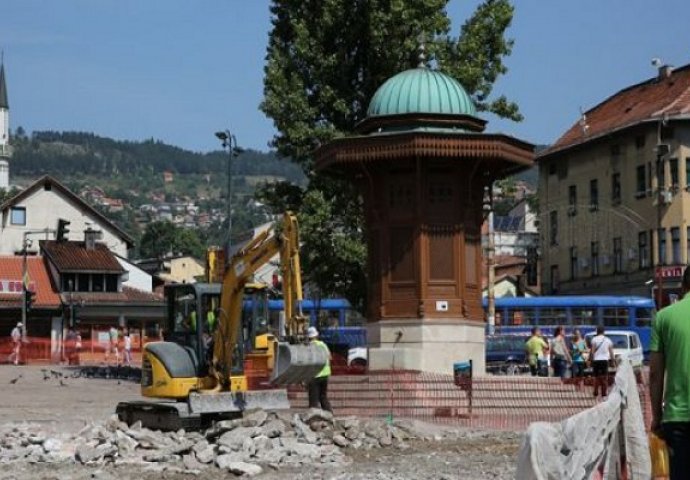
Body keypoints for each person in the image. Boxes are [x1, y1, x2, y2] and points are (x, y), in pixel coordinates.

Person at [650, 267, 690, 480]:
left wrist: (657, 417)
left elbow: (655, 374)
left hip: (677, 417)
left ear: (684, 287)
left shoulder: (663, 317)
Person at [306, 326, 332, 412]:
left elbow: (308, 362)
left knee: (313, 400)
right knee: (323, 397)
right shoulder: (323, 344)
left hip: (315, 375)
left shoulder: (309, 346)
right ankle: (330, 416)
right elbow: (330, 357)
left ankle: (313, 420)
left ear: (308, 337)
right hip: (325, 375)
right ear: (317, 335)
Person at [589, 325, 614, 398]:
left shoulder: (594, 339)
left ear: (597, 331)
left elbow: (592, 351)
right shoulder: (608, 340)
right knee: (604, 378)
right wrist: (613, 361)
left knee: (596, 378)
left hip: (596, 361)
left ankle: (595, 393)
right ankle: (604, 394)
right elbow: (611, 352)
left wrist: (590, 360)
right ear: (603, 331)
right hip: (605, 361)